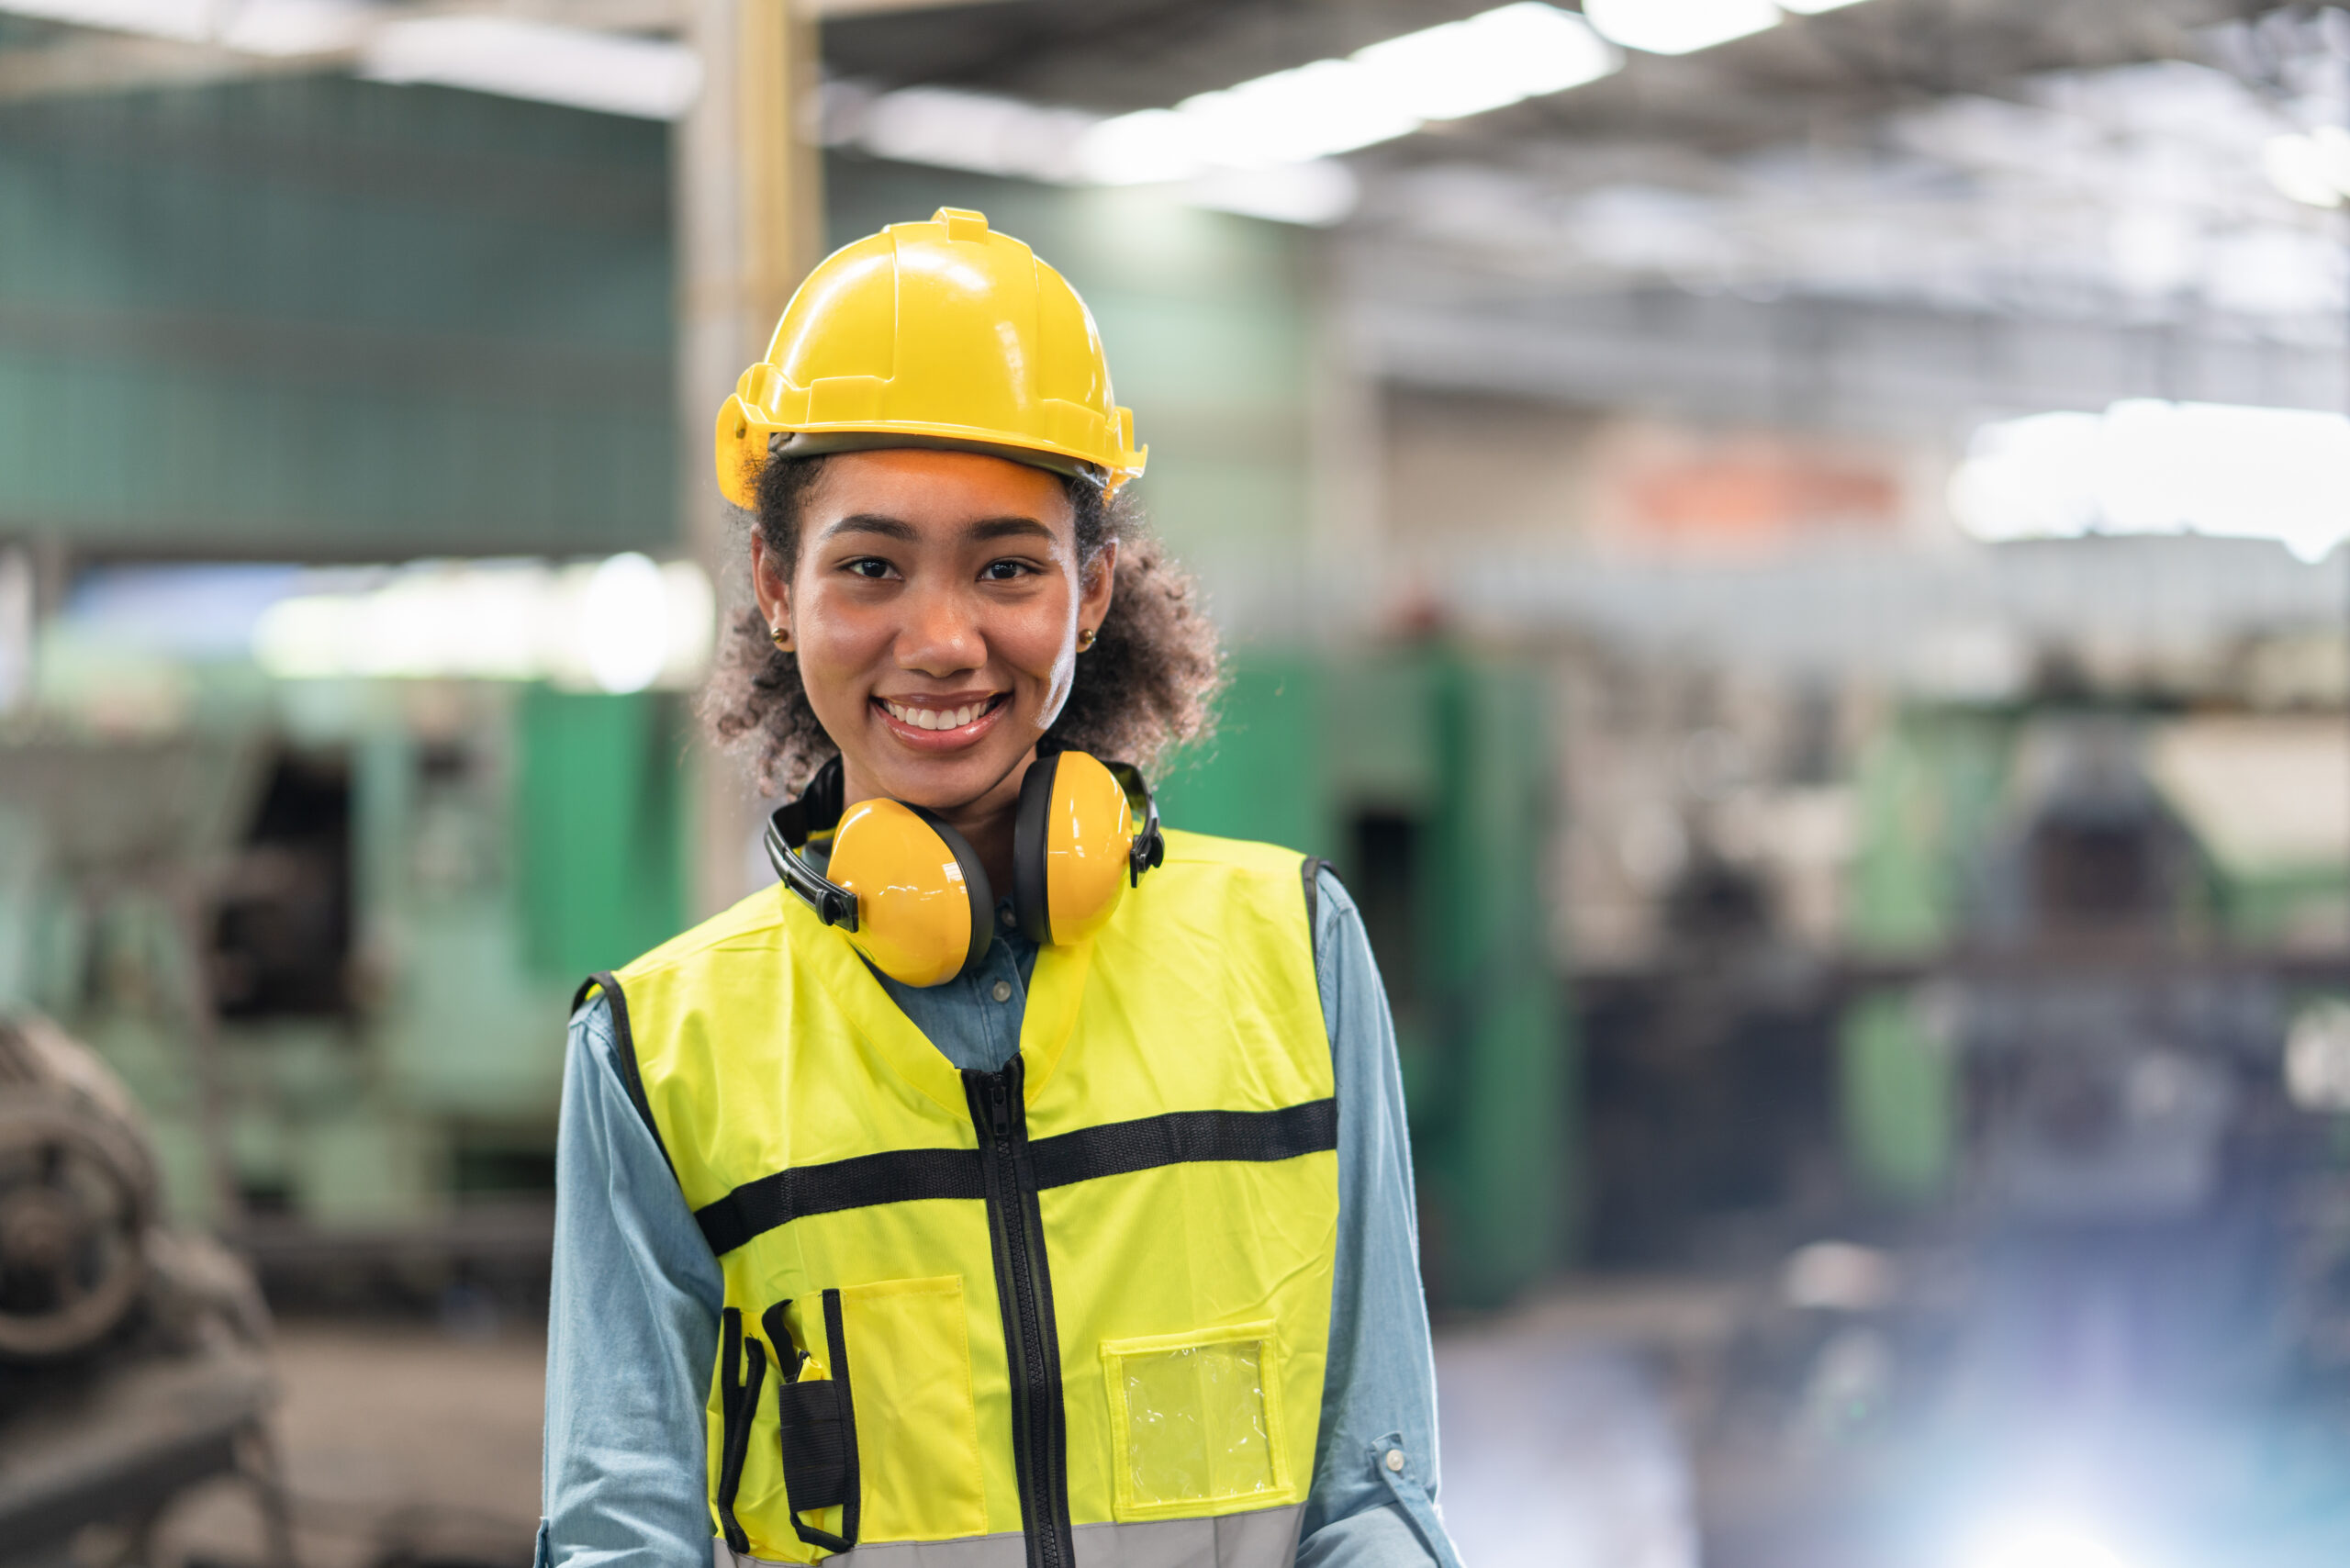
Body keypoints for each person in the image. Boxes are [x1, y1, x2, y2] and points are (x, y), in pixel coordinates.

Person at [537, 207, 1463, 1568]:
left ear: (1091, 592)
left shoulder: (1293, 951)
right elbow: (623, 1532)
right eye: (870, 567)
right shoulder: (659, 1053)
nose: (943, 640)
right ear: (776, 587)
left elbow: (1369, 1491)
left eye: (1007, 567)